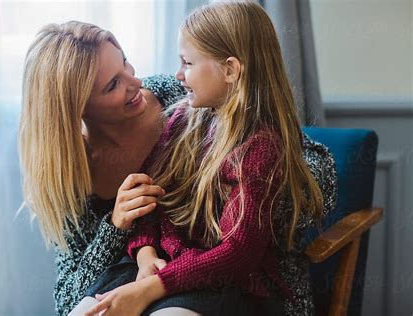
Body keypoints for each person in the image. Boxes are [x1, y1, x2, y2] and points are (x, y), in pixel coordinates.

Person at [83, 2, 337, 316]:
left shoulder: (260, 148)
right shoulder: (180, 121)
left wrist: (152, 286)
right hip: (161, 269)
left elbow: (237, 253)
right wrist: (145, 254)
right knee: (88, 310)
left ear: (230, 70)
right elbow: (152, 201)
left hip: (221, 284)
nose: (178, 75)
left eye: (187, 62)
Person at [19, 21, 194, 315]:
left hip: (200, 276)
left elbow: (287, 151)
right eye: (113, 84)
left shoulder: (173, 95)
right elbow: (66, 300)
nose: (136, 82)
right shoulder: (74, 173)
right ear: (77, 107)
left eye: (125, 61)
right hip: (128, 292)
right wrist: (115, 226)